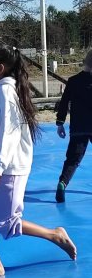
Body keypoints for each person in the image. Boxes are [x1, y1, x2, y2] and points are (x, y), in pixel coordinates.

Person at [0, 42, 77, 278]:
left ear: (0, 68)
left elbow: (11, 131)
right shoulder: (0, 89)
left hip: (10, 168)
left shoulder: (6, 90)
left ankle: (55, 234)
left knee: (5, 223)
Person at [55, 49, 92, 203]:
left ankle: (62, 183)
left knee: (73, 159)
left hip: (78, 127)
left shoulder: (73, 81)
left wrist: (60, 123)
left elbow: (63, 103)